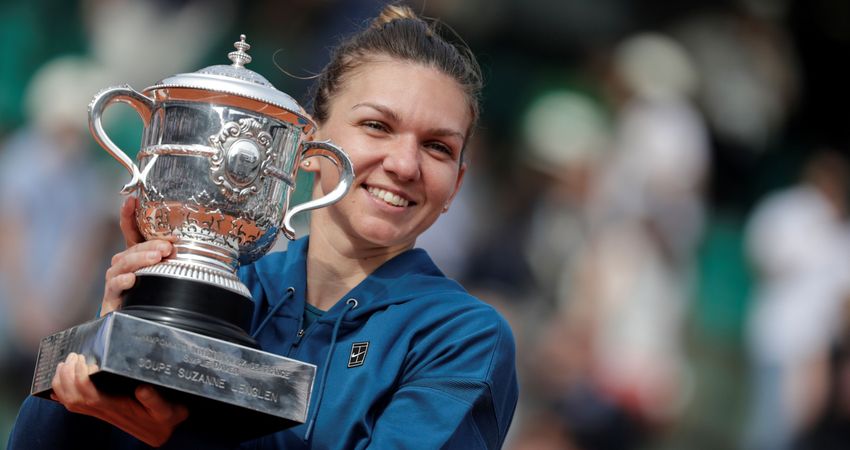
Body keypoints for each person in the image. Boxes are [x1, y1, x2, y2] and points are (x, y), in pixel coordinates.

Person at [7, 5, 519, 449]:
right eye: (377, 126)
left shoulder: (461, 338)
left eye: (438, 147)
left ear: (456, 184)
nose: (405, 164)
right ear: (307, 145)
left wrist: (183, 437)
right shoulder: (229, 295)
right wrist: (111, 339)